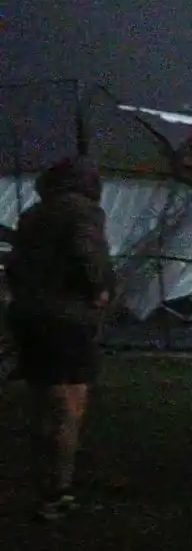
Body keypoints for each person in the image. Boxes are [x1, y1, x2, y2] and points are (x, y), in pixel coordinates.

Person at [5, 156, 115, 521]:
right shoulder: (84, 212)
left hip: (29, 318)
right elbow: (89, 255)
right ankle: (58, 492)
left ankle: (43, 485)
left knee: (43, 403)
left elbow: (15, 267)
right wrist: (99, 288)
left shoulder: (32, 216)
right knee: (70, 405)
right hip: (68, 320)